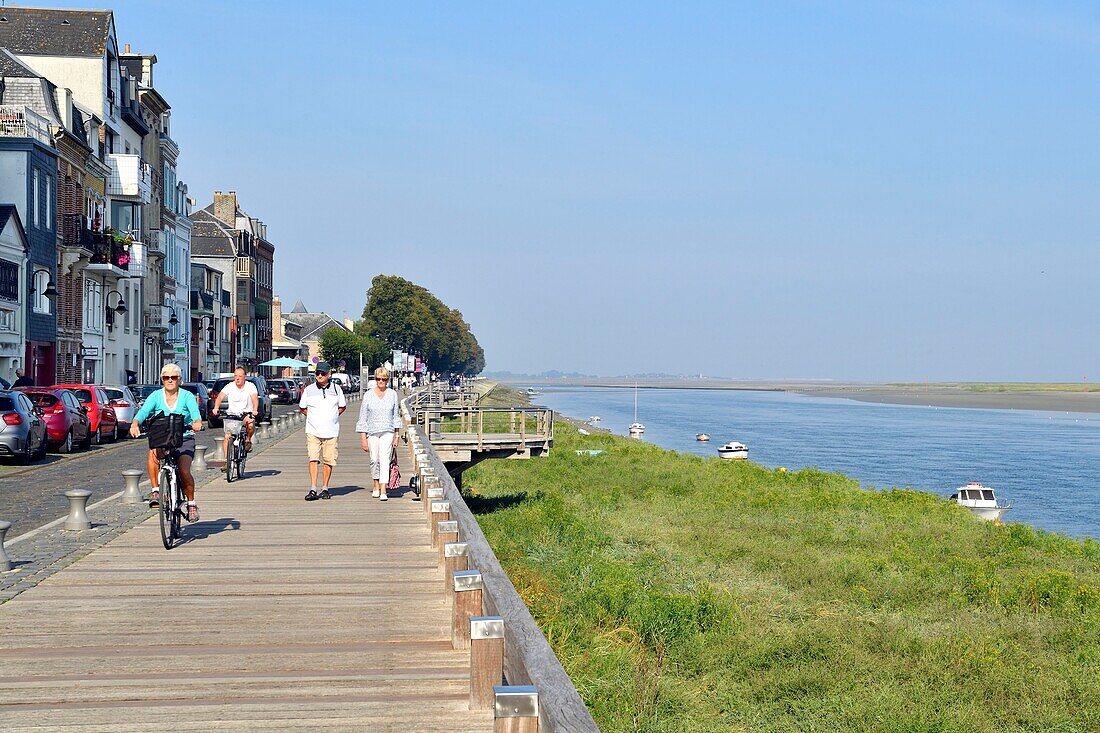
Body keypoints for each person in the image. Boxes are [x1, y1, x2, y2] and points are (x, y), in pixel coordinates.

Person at [130, 363, 204, 522]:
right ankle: (156, 491)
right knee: (152, 453)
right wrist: (135, 423)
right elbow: (143, 411)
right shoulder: (156, 396)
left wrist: (197, 422)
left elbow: (195, 413)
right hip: (162, 438)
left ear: (179, 380)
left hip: (184, 438)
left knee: (184, 471)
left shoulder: (187, 396)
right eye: (166, 377)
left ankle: (191, 504)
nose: (170, 380)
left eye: (174, 377)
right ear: (162, 380)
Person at [299, 362, 346, 501]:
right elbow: (302, 407)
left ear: (329, 374)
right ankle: (313, 488)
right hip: (313, 430)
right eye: (317, 373)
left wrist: (332, 416)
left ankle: (325, 488)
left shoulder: (337, 389)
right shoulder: (309, 390)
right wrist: (313, 417)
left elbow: (342, 407)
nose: (319, 376)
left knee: (328, 459)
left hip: (331, 431)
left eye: (322, 373)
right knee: (313, 458)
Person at [356, 367, 402, 501]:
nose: (381, 381)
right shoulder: (368, 395)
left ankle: (383, 488)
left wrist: (397, 435)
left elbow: (395, 416)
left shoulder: (392, 394)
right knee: (374, 459)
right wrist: (363, 438)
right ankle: (375, 484)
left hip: (387, 431)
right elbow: (363, 417)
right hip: (372, 432)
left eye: (384, 379)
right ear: (375, 379)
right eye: (378, 379)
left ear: (387, 380)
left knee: (385, 459)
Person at [211, 366, 258, 457]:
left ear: (245, 376)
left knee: (251, 424)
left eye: (240, 376)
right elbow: (220, 397)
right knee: (227, 436)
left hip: (245, 413)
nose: (237, 378)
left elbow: (254, 399)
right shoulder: (230, 386)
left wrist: (255, 409)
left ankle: (248, 440)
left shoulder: (250, 386)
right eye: (236, 376)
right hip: (232, 414)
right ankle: (226, 461)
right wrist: (216, 408)